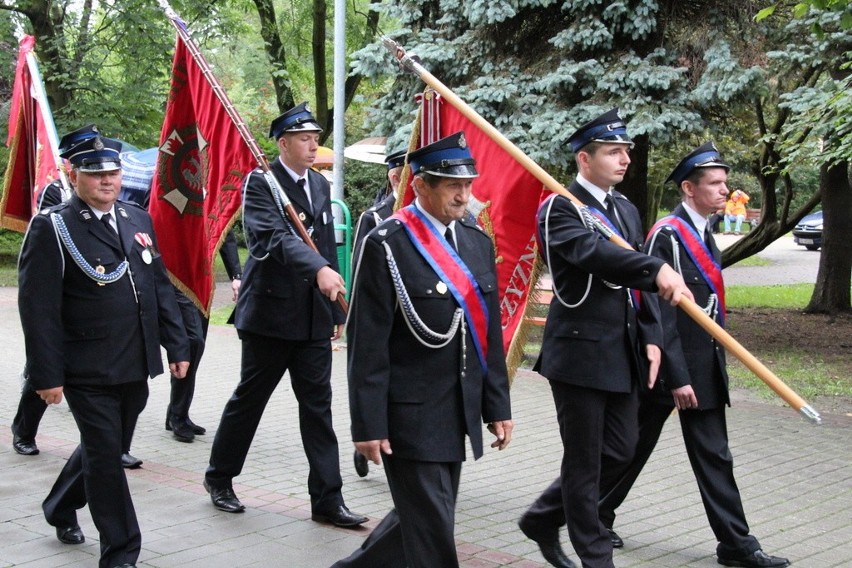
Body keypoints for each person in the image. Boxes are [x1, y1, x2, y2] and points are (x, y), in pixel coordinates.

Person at [598, 143, 790, 568]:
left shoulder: (705, 230)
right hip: (671, 364)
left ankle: (736, 545)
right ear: (689, 188)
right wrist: (677, 374)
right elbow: (657, 307)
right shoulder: (668, 234)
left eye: (724, 182)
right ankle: (590, 512)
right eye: (715, 183)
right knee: (630, 446)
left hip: (700, 362)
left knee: (711, 453)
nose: (725, 190)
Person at [518, 108, 691, 568]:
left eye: (626, 152)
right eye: (613, 152)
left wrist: (652, 334)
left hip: (622, 352)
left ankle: (542, 517)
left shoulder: (625, 209)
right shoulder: (560, 206)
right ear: (584, 159)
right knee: (585, 461)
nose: (624, 160)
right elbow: (594, 255)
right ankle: (596, 558)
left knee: (619, 450)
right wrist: (656, 270)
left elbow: (637, 283)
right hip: (578, 352)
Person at [332, 132, 513, 568]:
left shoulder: (475, 241)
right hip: (407, 417)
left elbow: (487, 334)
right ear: (420, 186)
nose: (464, 195)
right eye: (452, 185)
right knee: (433, 533)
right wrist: (367, 424)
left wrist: (497, 406)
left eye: (468, 185)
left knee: (423, 518)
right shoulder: (387, 243)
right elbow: (367, 345)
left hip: (456, 411)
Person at [18, 134, 190, 568]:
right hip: (86, 368)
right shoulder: (54, 226)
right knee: (106, 460)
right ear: (76, 176)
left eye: (112, 172)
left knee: (105, 450)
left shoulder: (137, 217)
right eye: (96, 174)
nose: (107, 181)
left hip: (136, 361)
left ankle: (59, 505)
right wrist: (46, 375)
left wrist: (177, 343)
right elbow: (37, 309)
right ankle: (121, 551)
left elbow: (156, 285)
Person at [203, 102, 367, 528]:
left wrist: (331, 304)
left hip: (312, 317)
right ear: (283, 143)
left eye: (315, 139)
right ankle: (220, 478)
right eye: (304, 139)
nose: (314, 146)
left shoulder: (318, 184)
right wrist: (321, 272)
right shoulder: (261, 183)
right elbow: (272, 238)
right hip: (271, 317)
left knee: (318, 408)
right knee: (250, 400)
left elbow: (325, 245)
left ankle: (328, 498)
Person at [11, 124, 100, 458]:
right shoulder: (53, 192)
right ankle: (24, 430)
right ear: (69, 165)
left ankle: (103, 443)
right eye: (83, 159)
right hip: (60, 291)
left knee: (94, 382)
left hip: (92, 296)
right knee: (45, 368)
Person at [348, 148, 406, 477]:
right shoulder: (375, 217)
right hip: (388, 321)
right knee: (379, 389)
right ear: (395, 177)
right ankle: (367, 439)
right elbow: (361, 275)